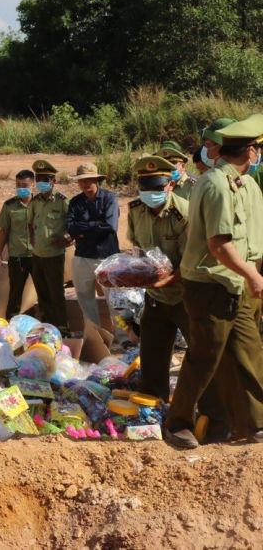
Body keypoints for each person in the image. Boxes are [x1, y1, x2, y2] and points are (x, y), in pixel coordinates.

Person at [163, 116, 263, 449]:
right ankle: (177, 423)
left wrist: (253, 276)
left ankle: (254, 425)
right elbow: (219, 245)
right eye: (258, 149)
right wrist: (253, 276)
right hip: (210, 286)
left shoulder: (248, 185)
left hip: (240, 284)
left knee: (249, 353)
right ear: (250, 151)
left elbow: (252, 242)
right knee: (205, 357)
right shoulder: (216, 184)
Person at [126, 156, 228, 439]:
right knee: (152, 360)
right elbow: (137, 248)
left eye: (156, 186)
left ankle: (212, 420)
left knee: (200, 361)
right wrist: (130, 272)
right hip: (156, 298)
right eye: (144, 187)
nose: (149, 193)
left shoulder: (185, 215)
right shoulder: (136, 211)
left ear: (170, 184)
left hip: (187, 297)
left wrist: (165, 279)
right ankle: (155, 415)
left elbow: (191, 263)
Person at [66, 162, 120, 329]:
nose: (84, 184)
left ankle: (124, 337)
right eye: (81, 181)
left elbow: (110, 226)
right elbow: (70, 227)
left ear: (97, 180)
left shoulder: (109, 199)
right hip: (82, 256)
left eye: (88, 180)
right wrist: (96, 225)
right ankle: (94, 334)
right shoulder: (75, 202)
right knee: (85, 298)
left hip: (107, 257)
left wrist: (83, 228)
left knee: (115, 300)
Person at [26, 160, 71, 333]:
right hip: (37, 255)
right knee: (42, 293)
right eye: (38, 179)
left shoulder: (62, 202)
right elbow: (30, 223)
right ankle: (47, 327)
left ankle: (62, 327)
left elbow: (72, 224)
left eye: (45, 179)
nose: (41, 183)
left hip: (54, 255)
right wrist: (33, 242)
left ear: (54, 181)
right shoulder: (35, 201)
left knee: (56, 293)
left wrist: (67, 239)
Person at [0, 169, 35, 319]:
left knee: (43, 292)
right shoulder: (9, 206)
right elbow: (4, 231)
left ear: (33, 185)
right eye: (18, 185)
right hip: (17, 257)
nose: (21, 189)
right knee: (15, 294)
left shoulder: (40, 204)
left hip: (38, 256)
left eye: (25, 185)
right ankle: (11, 325)